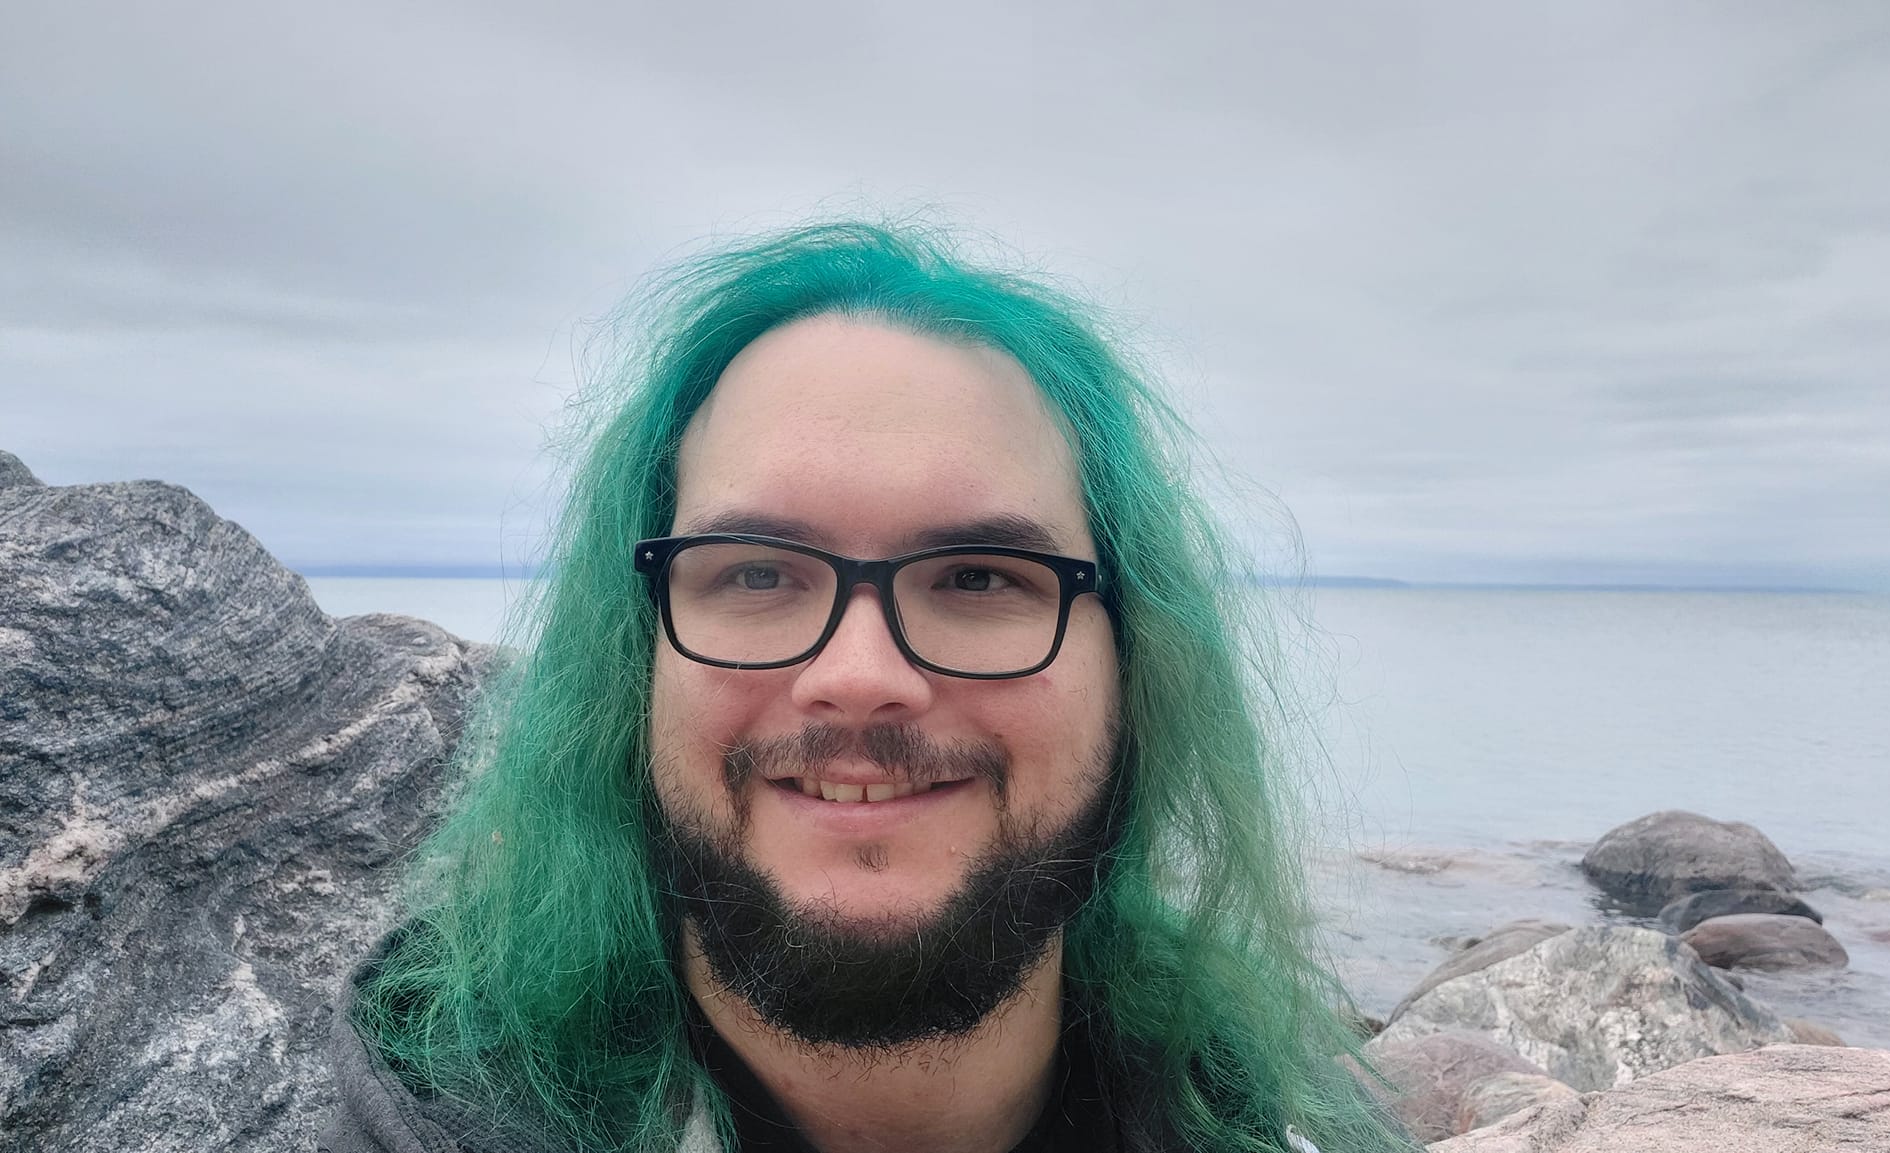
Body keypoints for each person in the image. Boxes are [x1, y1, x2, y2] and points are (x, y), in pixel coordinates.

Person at [323, 222, 1411, 1153]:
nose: (858, 678)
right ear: (630, 660)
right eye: (753, 572)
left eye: (980, 575)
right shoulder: (441, 1105)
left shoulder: (1280, 1115)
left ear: (1133, 661)